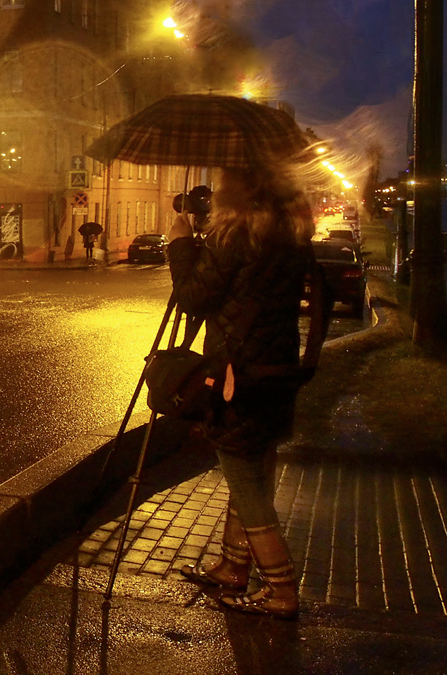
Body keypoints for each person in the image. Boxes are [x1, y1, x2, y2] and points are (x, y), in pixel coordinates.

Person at [167, 163, 314, 620]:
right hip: (275, 369)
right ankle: (233, 566)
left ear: (240, 190)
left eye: (225, 181)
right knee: (253, 467)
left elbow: (191, 298)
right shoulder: (290, 234)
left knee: (244, 478)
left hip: (239, 376)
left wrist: (179, 244)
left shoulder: (234, 236)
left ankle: (280, 587)